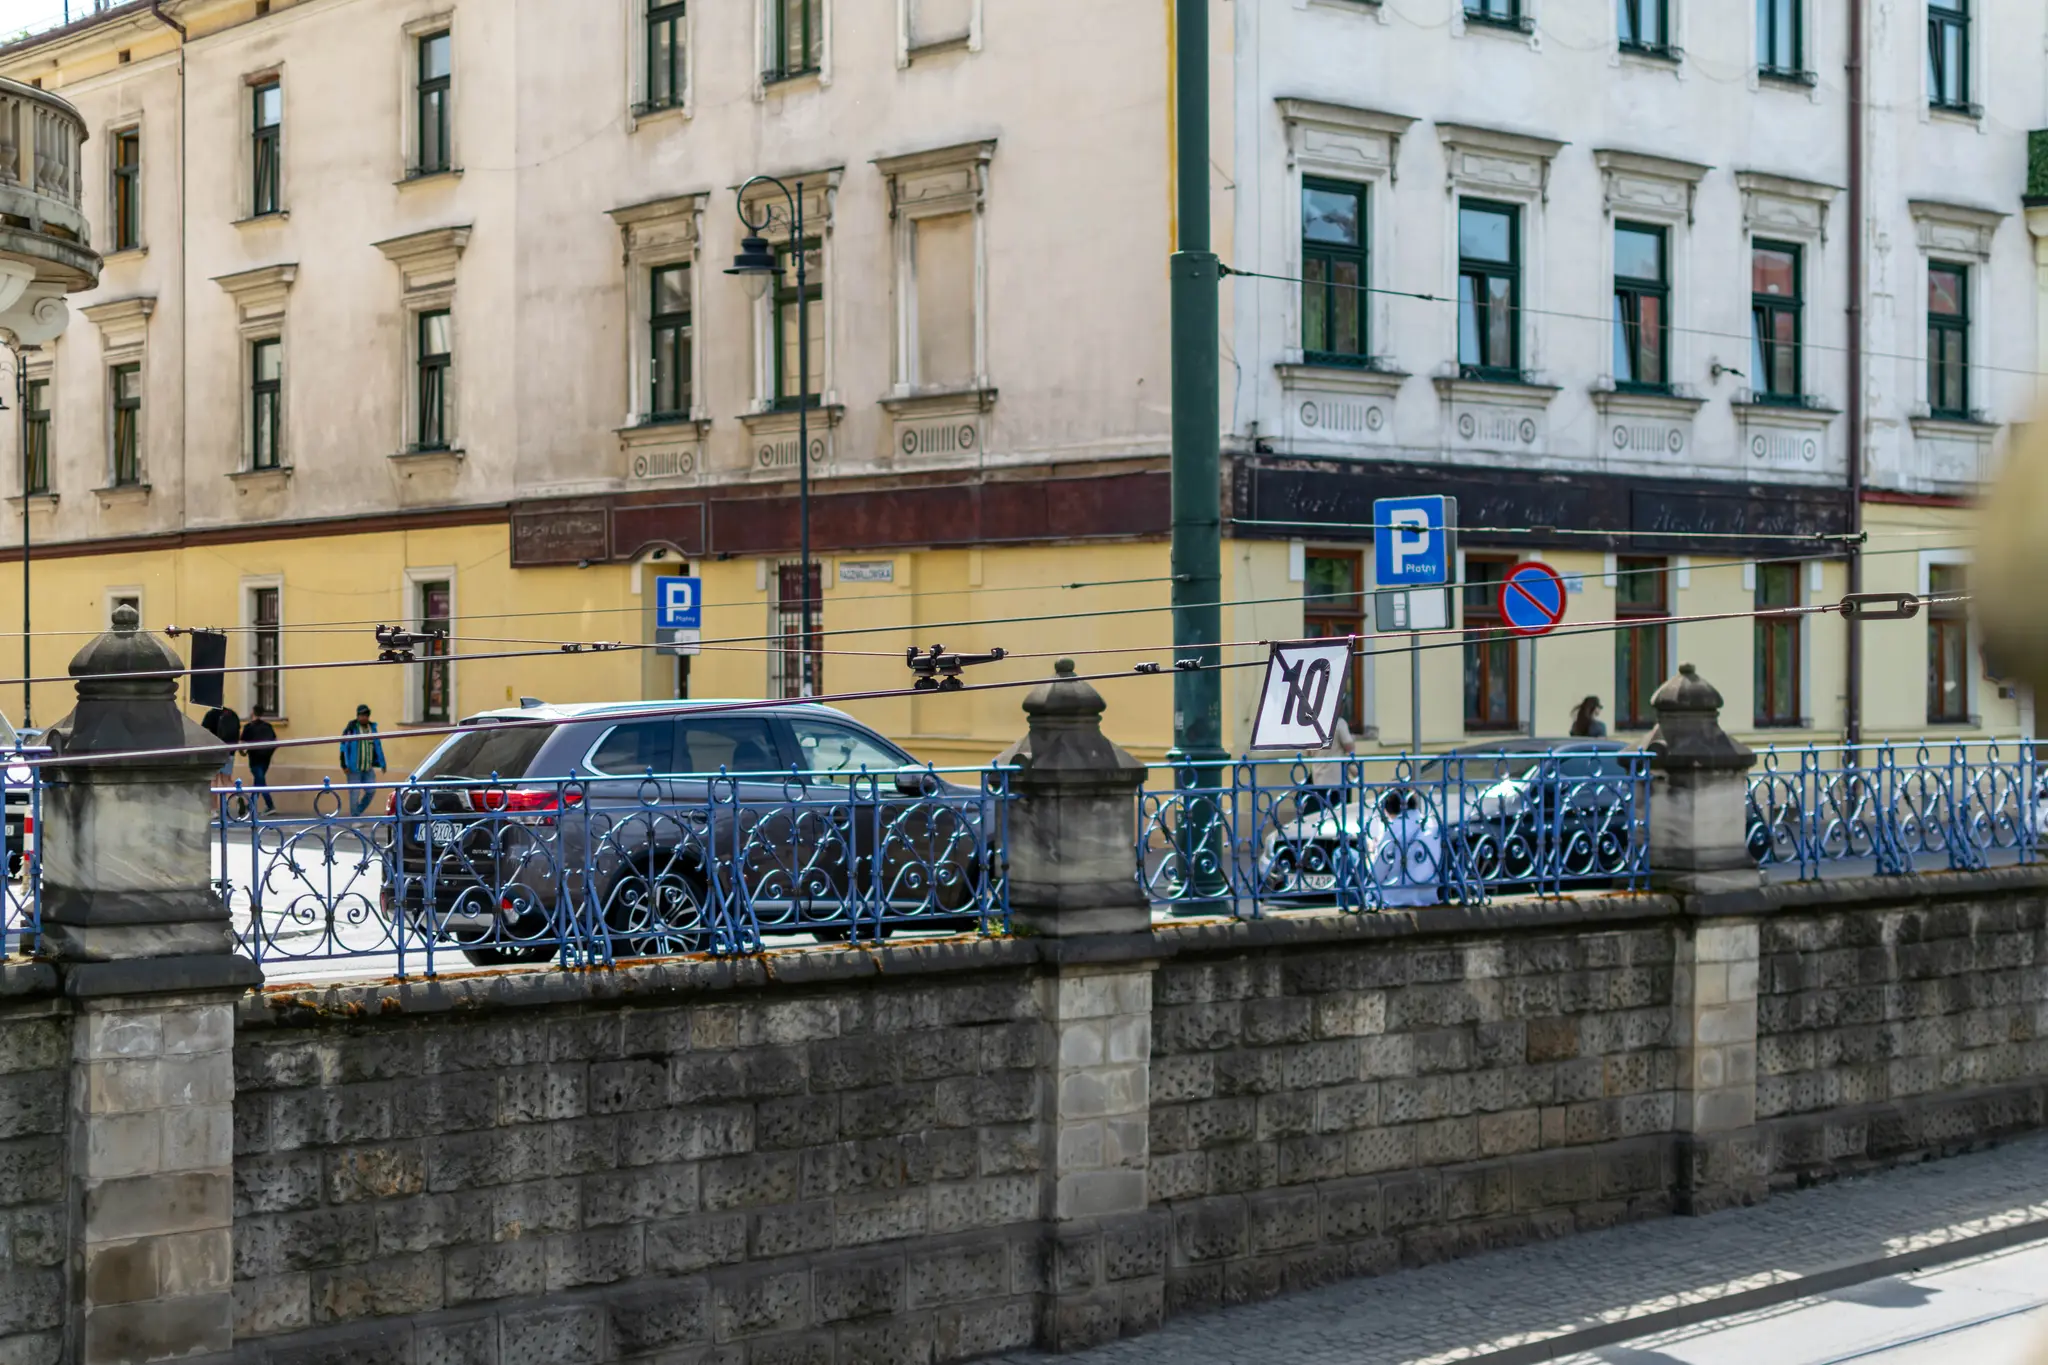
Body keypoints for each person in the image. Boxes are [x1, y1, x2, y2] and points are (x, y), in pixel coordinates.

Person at [339, 704, 387, 816]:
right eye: (361, 715)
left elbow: (377, 746)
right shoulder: (351, 728)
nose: (363, 718)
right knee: (354, 793)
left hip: (368, 767)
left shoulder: (372, 728)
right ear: (357, 716)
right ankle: (354, 819)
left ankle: (357, 812)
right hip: (353, 767)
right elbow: (343, 746)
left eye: (366, 715)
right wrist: (343, 764)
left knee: (371, 791)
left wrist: (382, 763)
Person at [241, 716, 279, 815]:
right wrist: (270, 753)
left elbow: (242, 743)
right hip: (266, 759)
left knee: (260, 782)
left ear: (253, 713)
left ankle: (270, 805)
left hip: (255, 759)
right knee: (258, 781)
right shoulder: (268, 726)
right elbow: (275, 742)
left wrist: (243, 752)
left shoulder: (249, 727)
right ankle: (251, 805)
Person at [200, 703, 242, 787]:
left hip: (215, 754)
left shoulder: (211, 715)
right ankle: (238, 795)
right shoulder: (232, 714)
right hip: (230, 752)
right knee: (227, 780)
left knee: (213, 781)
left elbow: (204, 733)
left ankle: (214, 801)